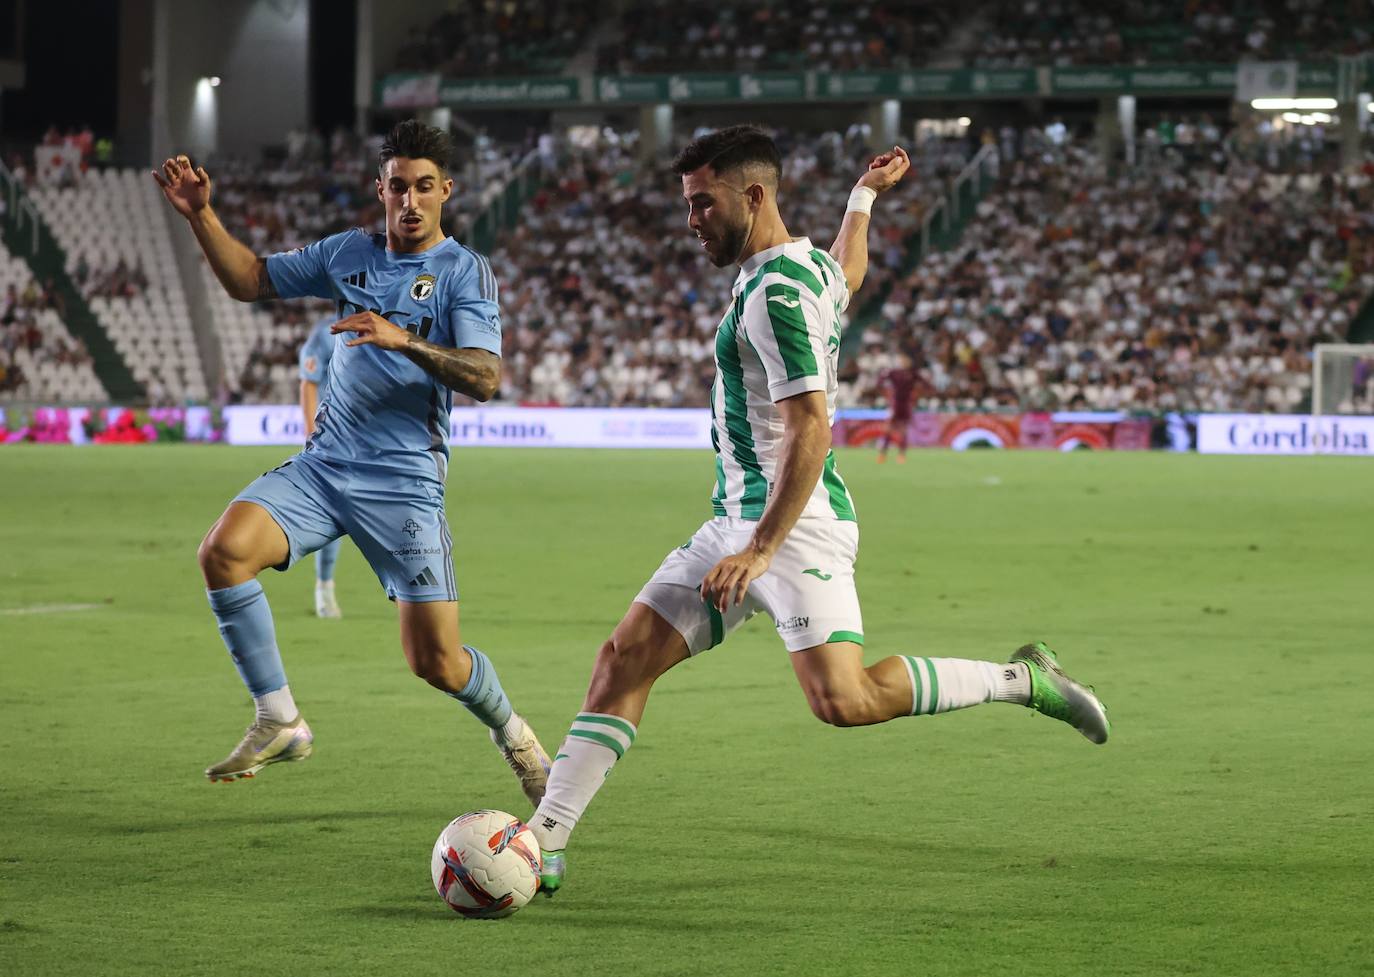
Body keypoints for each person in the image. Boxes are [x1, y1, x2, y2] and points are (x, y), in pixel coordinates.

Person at [527, 126, 1109, 895]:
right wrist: (862, 198)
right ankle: (545, 840)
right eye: (688, 204)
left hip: (793, 527)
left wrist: (762, 550)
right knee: (622, 659)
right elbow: (849, 274)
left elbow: (812, 425)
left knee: (845, 698)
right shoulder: (800, 267)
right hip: (736, 521)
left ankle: (1023, 679)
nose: (691, 220)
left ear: (754, 195)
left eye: (703, 204)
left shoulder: (772, 296)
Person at [152, 120, 551, 801]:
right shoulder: (348, 253)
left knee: (436, 661)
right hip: (326, 467)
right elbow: (250, 279)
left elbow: (485, 377)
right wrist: (202, 215)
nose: (410, 201)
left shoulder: (463, 271)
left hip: (404, 485)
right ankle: (279, 717)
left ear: (445, 192)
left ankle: (515, 733)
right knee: (223, 551)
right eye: (398, 187)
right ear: (381, 189)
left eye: (425, 187)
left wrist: (402, 340)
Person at [298, 315, 344, 618]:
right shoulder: (326, 333)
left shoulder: (385, 323)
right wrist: (312, 434)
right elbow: (308, 383)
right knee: (335, 517)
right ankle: (324, 587)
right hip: (333, 440)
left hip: (374, 439)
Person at [877, 350, 916, 463]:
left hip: (905, 405)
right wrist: (885, 392)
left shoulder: (912, 373)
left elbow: (924, 383)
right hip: (896, 404)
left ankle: (901, 455)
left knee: (903, 430)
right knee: (889, 429)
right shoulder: (894, 372)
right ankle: (883, 454)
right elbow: (881, 381)